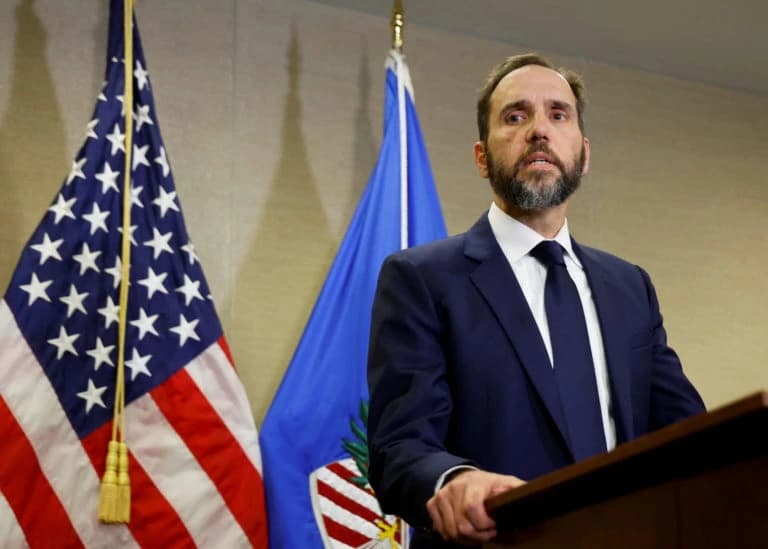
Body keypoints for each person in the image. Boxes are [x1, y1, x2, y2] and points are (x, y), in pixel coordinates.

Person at [366, 53, 705, 548]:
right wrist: (454, 481)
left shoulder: (630, 287)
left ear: (584, 155)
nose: (539, 130)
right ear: (482, 157)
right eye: (516, 116)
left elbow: (687, 437)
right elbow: (400, 446)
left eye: (558, 114)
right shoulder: (421, 279)